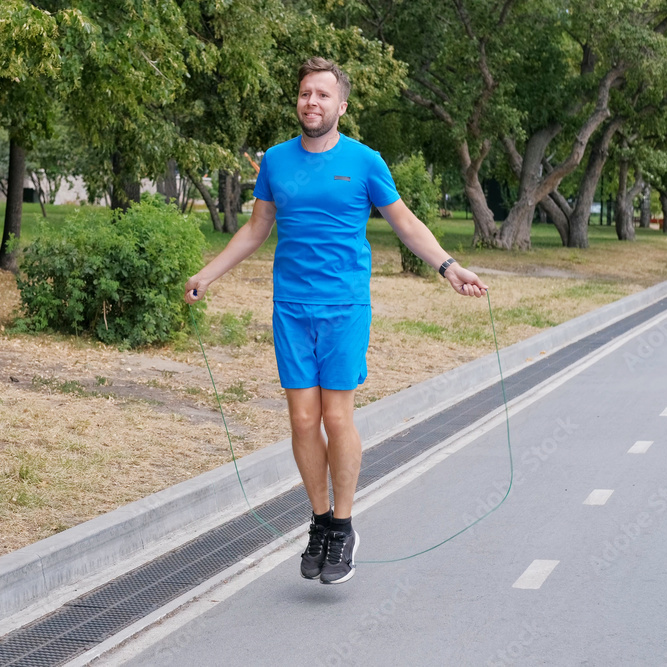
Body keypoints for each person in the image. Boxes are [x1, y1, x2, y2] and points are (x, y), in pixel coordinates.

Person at [184, 57, 488, 585]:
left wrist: (448, 267)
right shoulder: (276, 162)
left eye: (322, 95)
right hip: (291, 309)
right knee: (302, 420)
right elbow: (256, 230)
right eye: (305, 93)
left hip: (345, 307)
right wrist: (208, 275)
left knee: (336, 418)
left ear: (340, 106)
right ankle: (320, 521)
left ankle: (344, 527)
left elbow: (405, 223)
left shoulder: (365, 161)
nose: (312, 102)